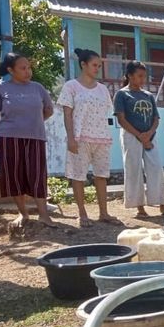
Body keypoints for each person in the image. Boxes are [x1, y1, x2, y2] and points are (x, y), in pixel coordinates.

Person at [57, 48, 118, 227]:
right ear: (83, 64)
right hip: (80, 137)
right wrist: (70, 138)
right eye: (94, 65)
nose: (97, 68)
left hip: (101, 138)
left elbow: (106, 112)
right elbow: (67, 114)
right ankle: (82, 214)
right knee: (78, 176)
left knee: (101, 176)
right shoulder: (71, 86)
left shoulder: (103, 89)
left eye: (99, 66)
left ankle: (104, 213)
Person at [0, 53, 55, 228]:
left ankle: (44, 215)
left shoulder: (38, 88)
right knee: (14, 176)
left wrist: (34, 122)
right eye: (23, 68)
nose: (28, 71)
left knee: (37, 176)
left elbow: (49, 109)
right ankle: (23, 214)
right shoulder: (0, 88)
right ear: (10, 70)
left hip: (35, 138)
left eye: (29, 67)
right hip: (8, 138)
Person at [113, 61, 164, 218]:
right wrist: (139, 135)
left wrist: (148, 134)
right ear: (130, 76)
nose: (143, 79)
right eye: (139, 76)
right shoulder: (122, 95)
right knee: (134, 169)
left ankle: (162, 203)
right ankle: (139, 206)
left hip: (150, 136)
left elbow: (156, 118)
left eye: (144, 76)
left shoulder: (148, 95)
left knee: (156, 167)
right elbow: (121, 119)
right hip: (131, 136)